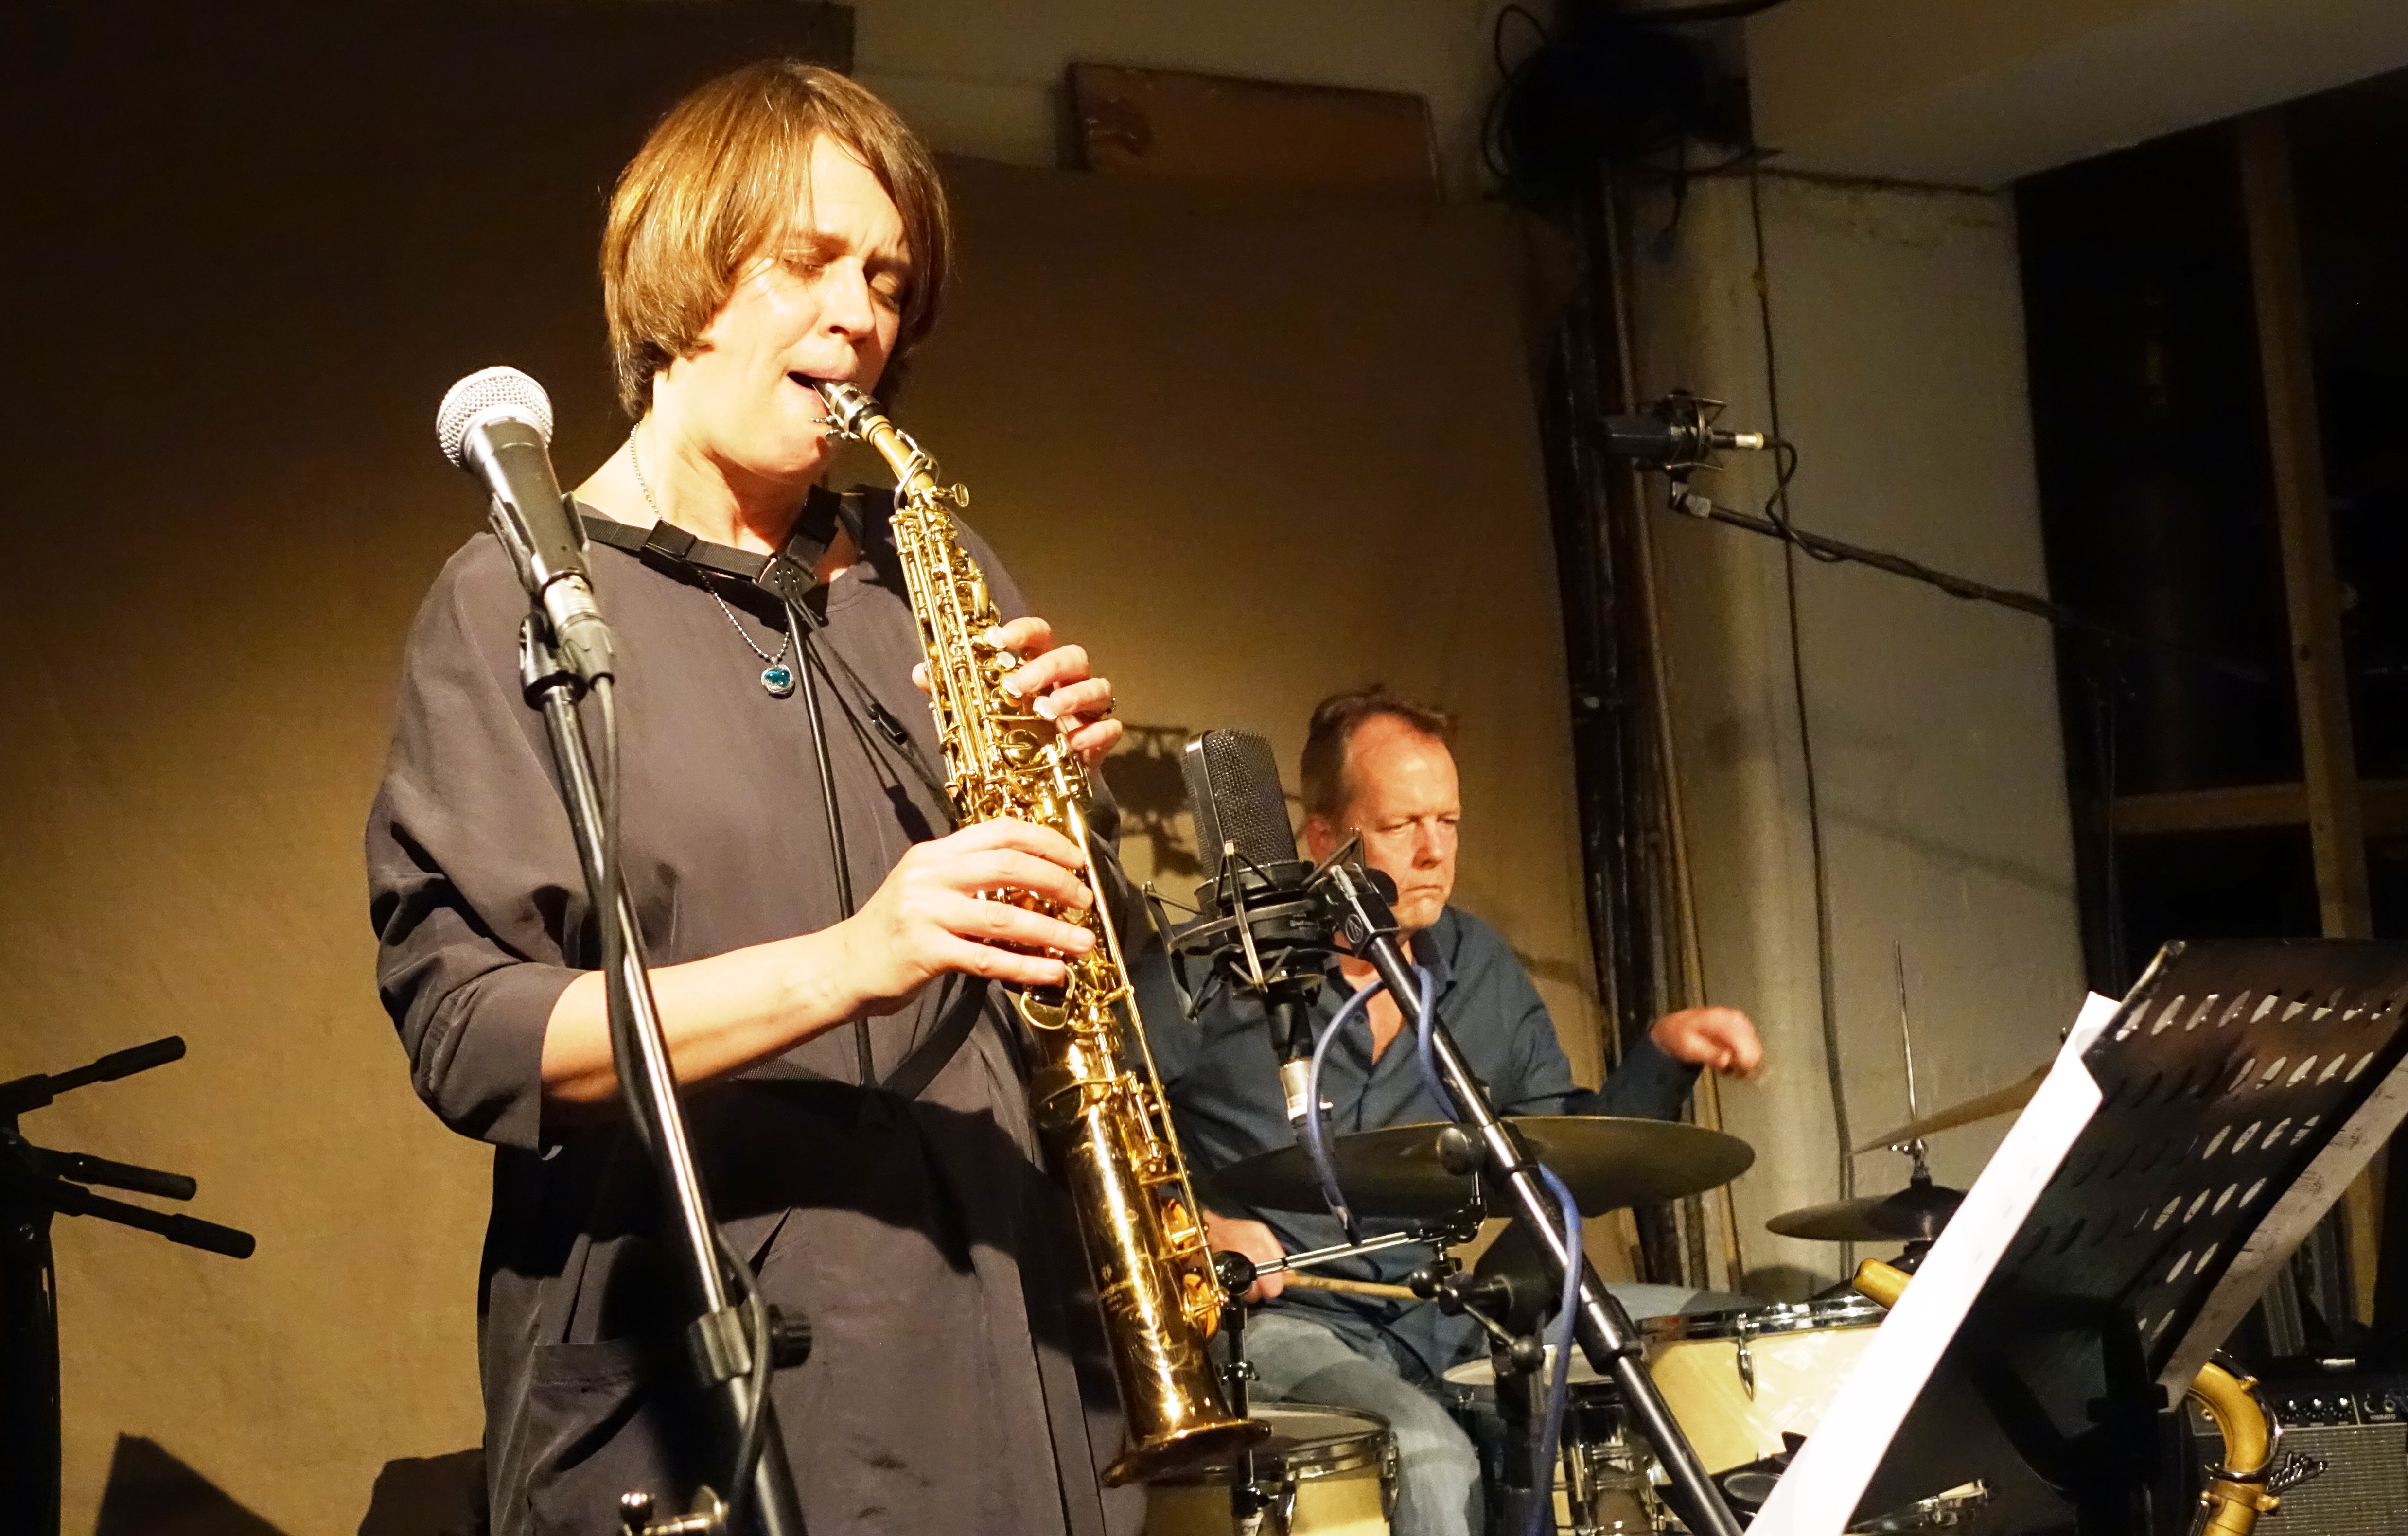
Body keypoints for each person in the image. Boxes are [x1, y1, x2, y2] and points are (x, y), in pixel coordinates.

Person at [368, 62, 1142, 1536]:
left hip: (1003, 1375)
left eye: (887, 277)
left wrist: (1074, 823)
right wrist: (857, 958)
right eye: (808, 262)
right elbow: (474, 1035)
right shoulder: (519, 602)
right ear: (683, 275)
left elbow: (1069, 983)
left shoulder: (937, 577)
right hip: (698, 1402)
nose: (858, 311)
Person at [1144, 689, 1764, 1536]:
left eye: (1450, 821)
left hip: (1438, 1303)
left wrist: (1662, 1055)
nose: (1434, 851)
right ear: (1323, 839)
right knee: (1429, 1450)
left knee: (1714, 1340)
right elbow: (1087, 1139)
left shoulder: (1477, 965)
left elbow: (1554, 1156)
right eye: (1403, 826)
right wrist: (1193, 1226)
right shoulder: (1208, 972)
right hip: (1281, 1319)